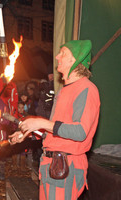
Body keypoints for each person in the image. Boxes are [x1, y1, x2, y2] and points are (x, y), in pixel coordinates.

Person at [10, 40, 100, 200]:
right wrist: (30, 133)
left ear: (74, 60)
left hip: (65, 166)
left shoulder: (86, 89)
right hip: (50, 166)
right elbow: (53, 132)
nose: (57, 56)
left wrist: (42, 123)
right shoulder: (63, 91)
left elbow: (80, 132)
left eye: (63, 53)